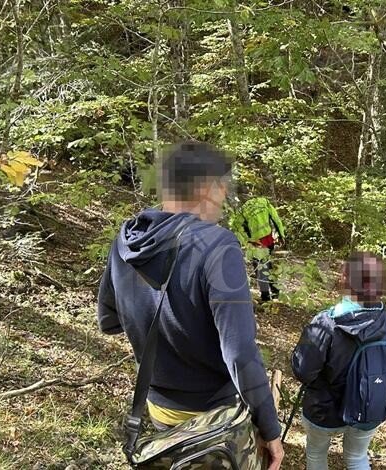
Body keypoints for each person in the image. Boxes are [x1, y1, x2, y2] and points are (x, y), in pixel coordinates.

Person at [96, 141, 284, 470]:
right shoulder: (218, 245)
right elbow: (239, 352)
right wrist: (270, 428)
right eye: (223, 187)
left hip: (159, 412)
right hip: (216, 420)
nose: (224, 198)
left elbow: (109, 321)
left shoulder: (125, 242)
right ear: (207, 189)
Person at [291, 252, 386, 470]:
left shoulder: (327, 322)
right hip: (368, 405)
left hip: (325, 409)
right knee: (357, 458)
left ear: (346, 280)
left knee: (316, 452)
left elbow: (304, 370)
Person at [230, 195, 286, 302]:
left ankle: (266, 296)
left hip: (254, 243)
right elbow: (276, 219)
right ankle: (275, 292)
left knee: (260, 268)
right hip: (268, 239)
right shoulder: (264, 202)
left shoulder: (243, 209)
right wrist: (281, 235)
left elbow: (236, 226)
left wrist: (246, 240)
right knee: (268, 264)